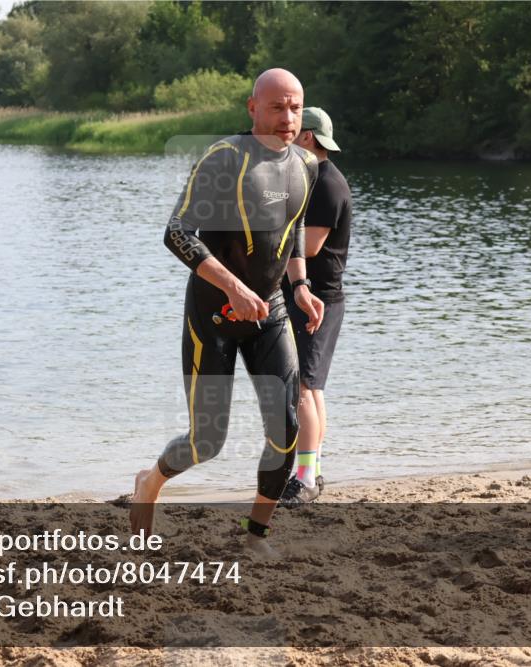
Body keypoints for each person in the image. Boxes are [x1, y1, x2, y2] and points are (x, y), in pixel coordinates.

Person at [130, 68, 323, 556]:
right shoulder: (224, 159)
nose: (287, 117)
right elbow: (178, 232)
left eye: (295, 107)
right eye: (276, 106)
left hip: (271, 312)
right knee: (206, 443)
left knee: (286, 429)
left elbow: (293, 227)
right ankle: (149, 482)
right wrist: (234, 287)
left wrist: (299, 286)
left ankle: (255, 536)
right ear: (252, 107)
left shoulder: (307, 164)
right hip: (213, 316)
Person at [278, 107, 352, 508]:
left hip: (317, 298)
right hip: (315, 296)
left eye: (292, 131)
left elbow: (309, 246)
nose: (285, 136)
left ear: (308, 138)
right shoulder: (314, 178)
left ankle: (305, 479)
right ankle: (312, 472)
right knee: (312, 388)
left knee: (303, 389)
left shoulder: (326, 183)